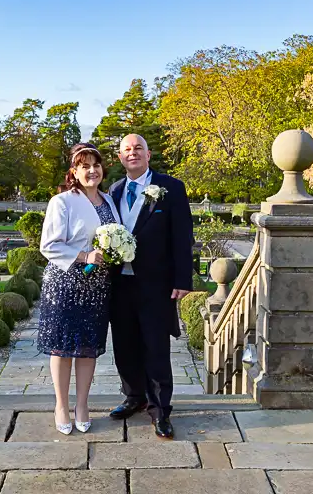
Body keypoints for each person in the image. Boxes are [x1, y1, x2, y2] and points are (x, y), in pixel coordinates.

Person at [108, 133, 194, 439]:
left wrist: (183, 279)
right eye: (126, 149)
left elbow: (183, 236)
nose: (132, 153)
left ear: (148, 154)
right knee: (124, 345)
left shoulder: (170, 187)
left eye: (138, 148)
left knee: (156, 347)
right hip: (120, 284)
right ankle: (134, 396)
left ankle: (160, 410)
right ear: (120, 157)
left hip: (156, 284)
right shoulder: (114, 191)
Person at [37, 143, 121, 435]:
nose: (91, 170)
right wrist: (84, 256)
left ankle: (82, 405)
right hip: (66, 284)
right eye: (84, 166)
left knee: (87, 348)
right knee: (62, 348)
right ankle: (61, 405)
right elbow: (48, 245)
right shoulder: (62, 201)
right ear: (74, 171)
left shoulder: (109, 202)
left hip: (97, 287)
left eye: (95, 165)